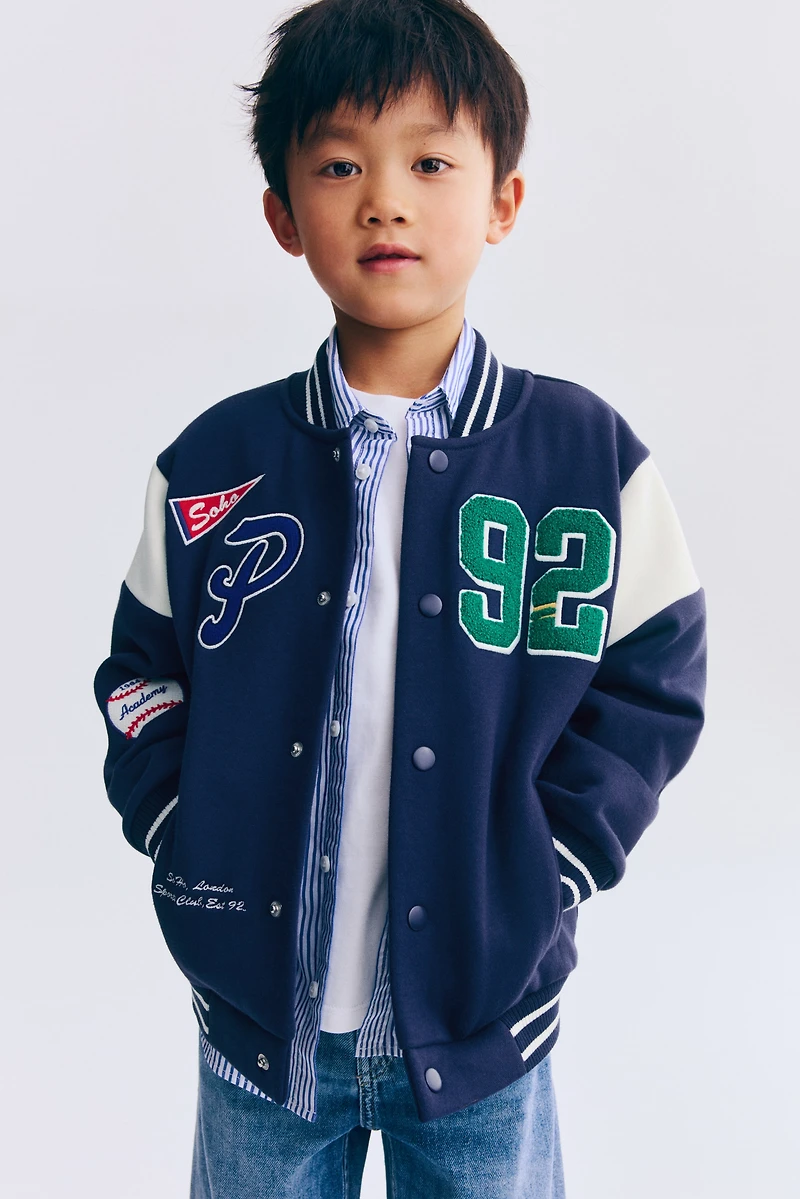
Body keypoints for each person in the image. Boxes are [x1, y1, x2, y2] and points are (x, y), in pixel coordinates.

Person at [93, 0, 707, 1195]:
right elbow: (138, 674)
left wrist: (550, 863)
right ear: (282, 214)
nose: (384, 199)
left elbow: (652, 678)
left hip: (484, 1029)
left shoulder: (582, 458)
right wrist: (183, 831)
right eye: (338, 166)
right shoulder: (214, 462)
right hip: (259, 1035)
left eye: (429, 162)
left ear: (501, 201)